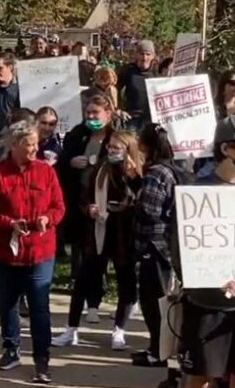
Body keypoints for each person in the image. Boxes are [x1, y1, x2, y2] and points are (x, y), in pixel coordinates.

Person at [179, 115, 235, 388]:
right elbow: (180, 251)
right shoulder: (196, 194)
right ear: (227, 148)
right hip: (204, 305)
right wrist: (208, 274)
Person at [0, 120, 64, 383]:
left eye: (35, 144)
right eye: (28, 144)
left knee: (39, 307)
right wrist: (9, 224)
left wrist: (47, 220)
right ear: (14, 145)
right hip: (5, 253)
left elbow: (59, 206)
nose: (33, 149)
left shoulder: (46, 172)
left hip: (40, 251)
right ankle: (11, 349)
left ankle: (42, 359)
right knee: (8, 304)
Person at [52, 130, 142, 350]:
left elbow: (142, 199)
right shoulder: (98, 170)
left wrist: (133, 178)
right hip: (98, 232)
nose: (112, 151)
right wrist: (88, 208)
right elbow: (84, 196)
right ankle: (71, 329)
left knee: (126, 284)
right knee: (83, 281)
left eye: (117, 148)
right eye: (110, 147)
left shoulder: (137, 172)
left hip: (123, 235)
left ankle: (119, 330)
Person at [57, 95, 117, 322]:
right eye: (88, 113)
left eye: (96, 113)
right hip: (80, 206)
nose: (91, 117)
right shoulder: (76, 135)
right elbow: (63, 162)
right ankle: (83, 302)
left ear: (107, 114)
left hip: (105, 205)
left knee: (101, 256)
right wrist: (71, 163)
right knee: (82, 256)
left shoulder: (114, 137)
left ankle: (95, 302)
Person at [131, 123, 180, 368]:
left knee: (153, 302)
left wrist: (135, 200)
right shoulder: (172, 170)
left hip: (154, 245)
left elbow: (151, 209)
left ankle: (158, 351)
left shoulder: (155, 174)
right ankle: (158, 348)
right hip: (165, 246)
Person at [117, 40, 158, 129]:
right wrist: (119, 109)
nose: (144, 58)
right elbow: (115, 89)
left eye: (148, 54)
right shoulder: (128, 70)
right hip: (132, 117)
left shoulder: (157, 72)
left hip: (152, 119)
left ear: (153, 56)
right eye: (141, 54)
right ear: (136, 55)